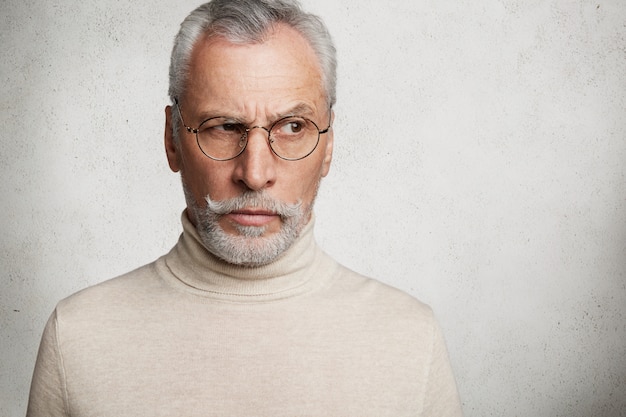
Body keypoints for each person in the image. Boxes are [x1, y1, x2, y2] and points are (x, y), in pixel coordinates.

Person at [26, 0, 463, 415]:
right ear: (171, 138)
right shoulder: (78, 337)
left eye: (293, 126)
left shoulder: (410, 339)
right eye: (224, 126)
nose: (254, 174)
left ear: (328, 147)